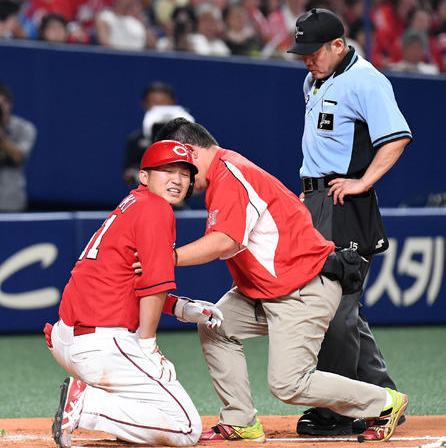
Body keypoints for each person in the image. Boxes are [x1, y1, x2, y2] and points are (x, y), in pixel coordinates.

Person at [147, 117, 408, 444]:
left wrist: (166, 258)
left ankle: (385, 402)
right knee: (215, 324)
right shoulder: (224, 174)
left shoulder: (230, 175)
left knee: (289, 384)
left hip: (303, 288)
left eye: (178, 166)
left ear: (189, 151)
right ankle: (241, 420)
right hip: (267, 291)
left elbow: (224, 242)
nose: (178, 178)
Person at [43, 140, 224, 447]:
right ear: (144, 176)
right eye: (167, 170)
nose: (178, 179)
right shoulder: (155, 209)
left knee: (149, 411)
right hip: (103, 344)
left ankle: (94, 403)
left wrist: (180, 308)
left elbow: (122, 279)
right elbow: (152, 283)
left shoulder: (132, 205)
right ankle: (85, 404)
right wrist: (148, 347)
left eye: (184, 172)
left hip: (68, 337)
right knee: (186, 428)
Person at [286, 8, 412, 436]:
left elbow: (397, 136)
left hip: (344, 204)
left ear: (339, 45)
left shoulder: (367, 80)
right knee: (343, 309)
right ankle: (383, 397)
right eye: (302, 51)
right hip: (317, 201)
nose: (306, 58)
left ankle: (338, 411)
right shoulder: (315, 79)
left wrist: (362, 182)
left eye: (314, 50)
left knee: (335, 309)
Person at [122, 81, 194, 187]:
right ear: (144, 104)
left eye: (164, 102)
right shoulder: (136, 140)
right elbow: (128, 174)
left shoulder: (190, 138)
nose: (160, 107)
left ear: (173, 103)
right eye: (155, 103)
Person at [0, 81, 37, 212]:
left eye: (1, 104)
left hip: (11, 204)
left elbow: (18, 157)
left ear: (9, 105)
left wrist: (2, 138)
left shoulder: (25, 128)